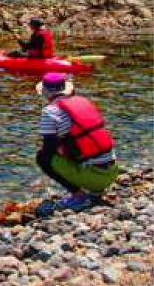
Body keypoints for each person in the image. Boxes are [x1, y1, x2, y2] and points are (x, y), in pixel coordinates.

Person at [35, 72, 118, 210]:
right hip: (112, 172)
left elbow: (48, 150)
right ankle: (95, 190)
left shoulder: (50, 112)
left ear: (45, 92)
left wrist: (59, 148)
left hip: (94, 179)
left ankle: (79, 196)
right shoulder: (82, 101)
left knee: (42, 157)